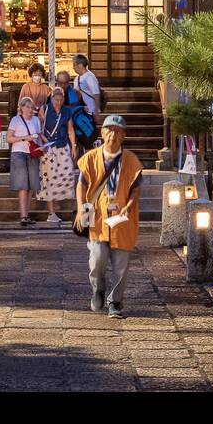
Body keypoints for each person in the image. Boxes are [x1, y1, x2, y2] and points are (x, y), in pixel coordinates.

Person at [75, 115, 142, 318]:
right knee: (97, 259)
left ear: (123, 135)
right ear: (102, 133)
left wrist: (129, 205)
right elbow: (82, 185)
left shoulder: (131, 160)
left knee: (121, 264)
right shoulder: (90, 158)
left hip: (122, 217)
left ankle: (116, 302)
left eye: (117, 130)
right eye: (109, 130)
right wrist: (80, 208)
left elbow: (136, 187)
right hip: (97, 215)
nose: (112, 134)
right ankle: (98, 289)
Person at [36, 86, 79, 223]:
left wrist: (73, 145)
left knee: (68, 174)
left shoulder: (67, 111)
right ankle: (51, 213)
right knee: (48, 179)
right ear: (52, 98)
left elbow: (70, 129)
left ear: (63, 99)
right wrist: (44, 142)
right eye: (56, 99)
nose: (58, 102)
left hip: (62, 145)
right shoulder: (45, 108)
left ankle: (70, 205)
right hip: (48, 147)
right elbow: (39, 129)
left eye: (60, 99)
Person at [7, 96, 45, 226]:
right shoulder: (15, 120)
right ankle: (23, 216)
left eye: (31, 107)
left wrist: (42, 147)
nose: (30, 109)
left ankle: (27, 215)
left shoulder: (35, 120)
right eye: (27, 107)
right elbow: (9, 138)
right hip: (19, 152)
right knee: (23, 185)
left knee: (31, 186)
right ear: (21, 108)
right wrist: (25, 138)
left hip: (32, 153)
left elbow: (38, 136)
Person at [73, 53, 102, 121]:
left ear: (80, 65)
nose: (73, 67)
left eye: (74, 65)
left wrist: (97, 110)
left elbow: (96, 93)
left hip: (90, 111)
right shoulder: (77, 78)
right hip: (81, 109)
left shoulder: (90, 77)